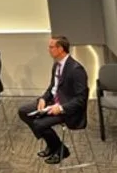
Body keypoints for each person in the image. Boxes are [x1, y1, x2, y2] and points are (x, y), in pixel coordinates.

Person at [18, 35, 88, 163]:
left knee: (39, 124)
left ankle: (56, 148)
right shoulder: (57, 65)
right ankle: (58, 147)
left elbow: (81, 99)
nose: (48, 50)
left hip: (67, 108)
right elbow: (52, 87)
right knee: (23, 111)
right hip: (52, 102)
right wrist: (43, 99)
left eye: (51, 47)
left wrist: (61, 108)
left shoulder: (76, 69)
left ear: (60, 48)